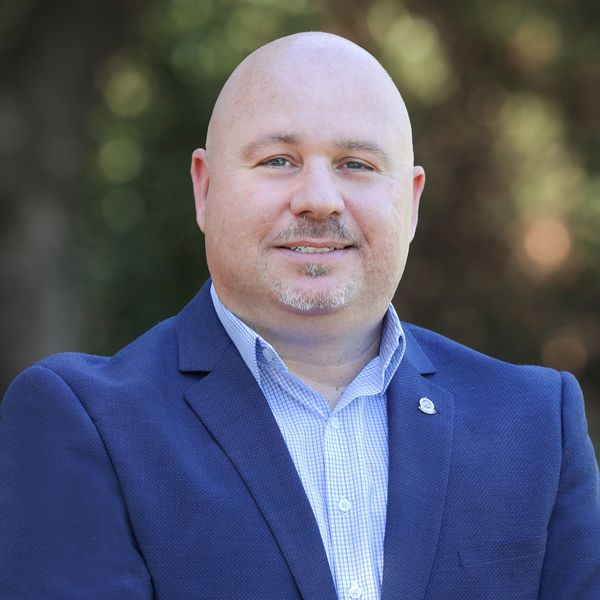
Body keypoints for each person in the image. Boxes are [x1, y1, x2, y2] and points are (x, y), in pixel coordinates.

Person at [0, 32, 598, 600]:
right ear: (204, 189)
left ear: (412, 202)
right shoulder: (87, 423)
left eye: (356, 164)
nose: (318, 199)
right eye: (279, 160)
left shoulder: (536, 426)